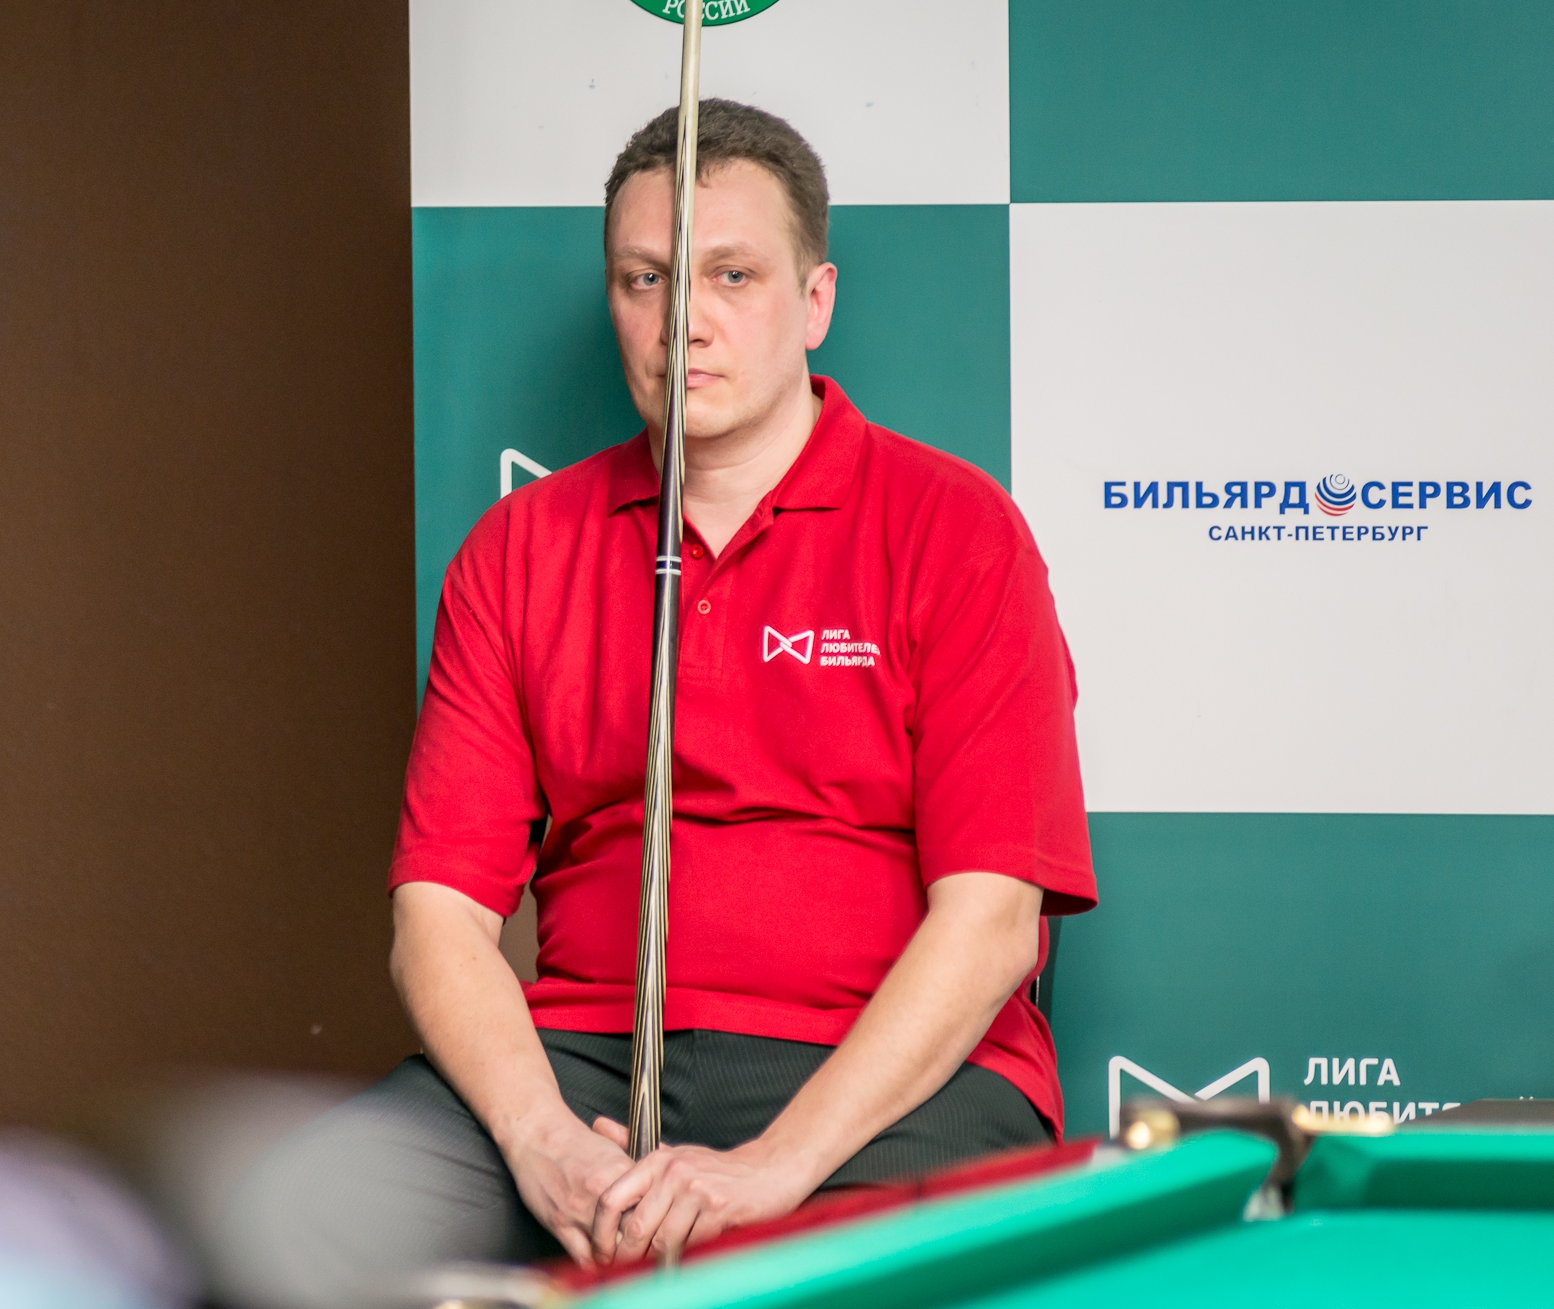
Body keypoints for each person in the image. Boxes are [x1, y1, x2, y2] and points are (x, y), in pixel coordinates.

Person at [210, 102, 1095, 1308]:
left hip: (885, 1079)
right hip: (582, 1063)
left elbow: (992, 922)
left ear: (816, 301)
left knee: (829, 1280)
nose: (686, 321)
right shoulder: (519, 550)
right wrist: (542, 1145)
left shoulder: (956, 531)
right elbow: (439, 917)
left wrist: (776, 1167)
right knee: (294, 1214)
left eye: (733, 275)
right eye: (647, 279)